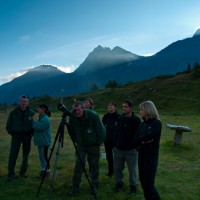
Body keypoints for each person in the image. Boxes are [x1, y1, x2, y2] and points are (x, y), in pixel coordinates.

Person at [68, 101, 106, 196]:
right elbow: (71, 130)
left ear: (83, 109)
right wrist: (76, 141)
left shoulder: (93, 115)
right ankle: (75, 186)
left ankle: (94, 185)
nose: (76, 112)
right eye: (74, 110)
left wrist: (98, 142)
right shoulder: (72, 117)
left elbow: (101, 130)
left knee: (94, 165)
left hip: (93, 144)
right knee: (79, 164)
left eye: (78, 110)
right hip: (81, 145)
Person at [135, 101, 162, 200]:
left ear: (148, 110)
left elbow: (148, 136)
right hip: (141, 156)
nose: (140, 111)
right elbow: (136, 139)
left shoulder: (157, 123)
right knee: (143, 184)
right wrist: (143, 141)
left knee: (149, 185)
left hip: (151, 157)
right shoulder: (142, 124)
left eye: (141, 109)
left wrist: (142, 140)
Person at [114, 100, 141, 195]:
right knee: (117, 168)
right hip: (118, 149)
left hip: (131, 150)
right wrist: (115, 144)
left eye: (125, 107)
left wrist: (135, 147)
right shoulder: (120, 118)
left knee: (132, 170)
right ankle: (119, 183)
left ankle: (133, 187)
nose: (124, 108)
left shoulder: (136, 120)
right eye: (123, 107)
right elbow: (116, 132)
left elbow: (139, 135)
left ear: (131, 108)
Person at [6, 95, 35, 181]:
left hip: (27, 136)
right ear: (19, 102)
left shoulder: (32, 113)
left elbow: (35, 125)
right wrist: (13, 134)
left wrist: (31, 134)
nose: (24, 103)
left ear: (28, 102)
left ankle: (23, 172)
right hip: (16, 136)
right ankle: (10, 174)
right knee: (13, 155)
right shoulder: (13, 112)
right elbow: (8, 125)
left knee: (25, 155)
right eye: (22, 101)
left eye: (26, 101)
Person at [32, 104, 52, 178]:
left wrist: (34, 121)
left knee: (44, 157)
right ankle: (43, 170)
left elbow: (39, 127)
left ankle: (47, 171)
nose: (38, 109)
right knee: (41, 156)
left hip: (44, 141)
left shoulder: (45, 119)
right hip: (41, 141)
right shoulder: (41, 118)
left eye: (39, 108)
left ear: (43, 109)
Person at [102, 102, 120, 176]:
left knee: (117, 157)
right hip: (107, 140)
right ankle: (110, 171)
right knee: (108, 156)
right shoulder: (105, 116)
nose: (110, 107)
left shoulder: (119, 116)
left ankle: (118, 171)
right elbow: (102, 127)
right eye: (108, 105)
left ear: (115, 107)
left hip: (116, 140)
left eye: (111, 105)